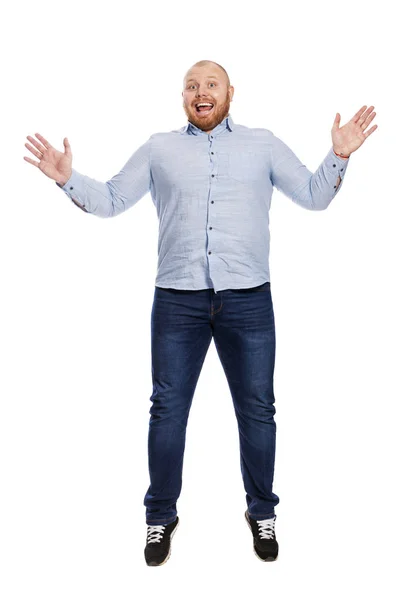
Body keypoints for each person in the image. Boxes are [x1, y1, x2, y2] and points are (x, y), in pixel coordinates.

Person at [23, 59, 378, 566]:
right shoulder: (159, 148)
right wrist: (66, 179)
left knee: (258, 410)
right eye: (192, 86)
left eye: (211, 84)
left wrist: (339, 156)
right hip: (177, 300)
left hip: (249, 298)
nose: (200, 91)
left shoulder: (263, 143)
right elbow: (111, 199)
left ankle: (262, 511)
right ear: (183, 97)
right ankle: (159, 518)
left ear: (231, 92)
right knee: (166, 411)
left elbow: (315, 196)